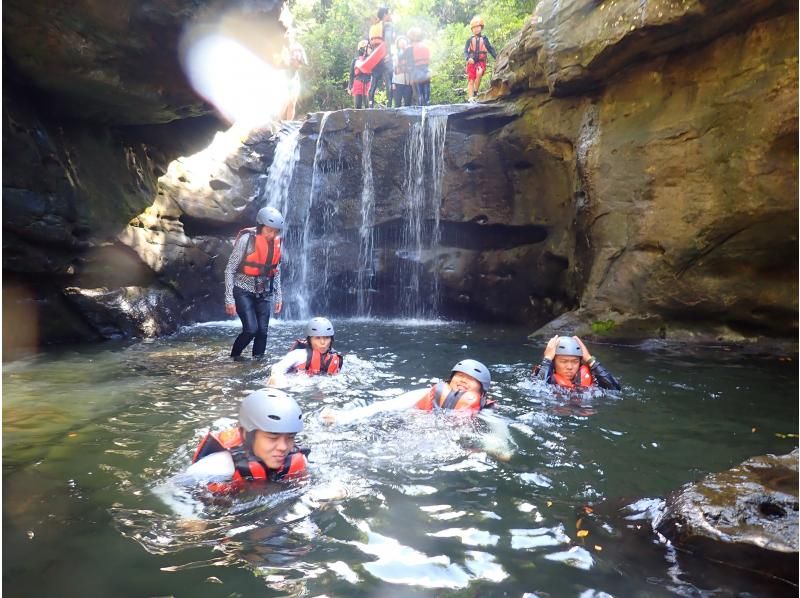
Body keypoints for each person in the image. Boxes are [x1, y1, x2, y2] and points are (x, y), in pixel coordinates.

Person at [186, 389, 309, 493]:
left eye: (290, 437)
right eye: (273, 437)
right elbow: (177, 491)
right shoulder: (219, 467)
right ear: (247, 434)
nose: (283, 447)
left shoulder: (297, 458)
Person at [321, 359, 493, 425]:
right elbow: (385, 406)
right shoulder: (428, 394)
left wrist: (498, 449)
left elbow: (498, 430)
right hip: (417, 428)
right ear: (449, 380)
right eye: (459, 376)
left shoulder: (485, 410)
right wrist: (342, 418)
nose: (463, 380)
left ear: (482, 389)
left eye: (470, 379)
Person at [225, 206, 284, 361]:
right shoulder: (246, 240)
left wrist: (279, 296)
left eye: (275, 231)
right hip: (243, 290)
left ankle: (258, 364)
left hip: (264, 292)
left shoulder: (276, 243)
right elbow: (230, 269)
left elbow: (276, 271)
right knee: (251, 329)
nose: (272, 235)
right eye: (268, 230)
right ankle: (234, 358)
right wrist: (229, 299)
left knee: (262, 332)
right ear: (260, 227)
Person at [267, 317, 344, 387]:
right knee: (275, 379)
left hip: (322, 391)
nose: (323, 342)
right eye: (317, 338)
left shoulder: (336, 359)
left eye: (327, 338)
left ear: (331, 339)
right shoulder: (299, 354)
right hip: (296, 387)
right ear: (309, 340)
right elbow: (277, 369)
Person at [534, 335, 621, 391]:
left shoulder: (591, 378)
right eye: (563, 361)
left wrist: (589, 359)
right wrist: (547, 359)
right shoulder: (544, 376)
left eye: (575, 362)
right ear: (553, 362)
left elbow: (615, 389)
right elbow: (538, 391)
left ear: (580, 363)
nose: (570, 367)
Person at [464, 15, 497, 102]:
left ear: (481, 27)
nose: (476, 29)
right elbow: (465, 51)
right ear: (472, 29)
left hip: (480, 62)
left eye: (477, 27)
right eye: (474, 28)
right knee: (471, 80)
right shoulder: (469, 40)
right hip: (471, 62)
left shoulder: (485, 39)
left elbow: (490, 49)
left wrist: (497, 57)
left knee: (479, 73)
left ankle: (475, 92)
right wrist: (468, 58)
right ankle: (471, 98)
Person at [368, 6, 395, 108]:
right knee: (388, 80)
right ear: (385, 15)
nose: (390, 16)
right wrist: (387, 54)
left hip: (375, 57)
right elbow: (387, 40)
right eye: (389, 14)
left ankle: (370, 105)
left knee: (374, 82)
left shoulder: (373, 27)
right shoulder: (387, 25)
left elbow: (371, 44)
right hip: (384, 56)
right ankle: (389, 106)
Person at [280, 40, 308, 120]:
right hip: (284, 78)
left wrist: (297, 60)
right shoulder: (284, 48)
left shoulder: (298, 47)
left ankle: (288, 124)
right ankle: (277, 123)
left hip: (294, 78)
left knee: (292, 103)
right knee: (284, 101)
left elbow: (303, 62)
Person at [407, 27, 431, 106]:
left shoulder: (410, 48)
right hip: (424, 69)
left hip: (417, 70)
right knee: (425, 91)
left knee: (420, 92)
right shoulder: (425, 46)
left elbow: (410, 63)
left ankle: (422, 106)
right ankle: (426, 105)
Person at [348, 40, 372, 109]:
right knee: (358, 106)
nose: (370, 49)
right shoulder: (356, 60)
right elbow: (351, 74)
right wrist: (350, 87)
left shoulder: (370, 60)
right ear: (363, 49)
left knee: (368, 107)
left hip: (368, 86)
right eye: (369, 47)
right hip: (358, 85)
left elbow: (375, 75)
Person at [391, 36, 412, 107]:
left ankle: (407, 118)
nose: (402, 43)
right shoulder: (395, 55)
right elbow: (392, 69)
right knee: (397, 103)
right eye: (400, 42)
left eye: (404, 42)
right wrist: (392, 83)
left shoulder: (410, 54)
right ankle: (396, 118)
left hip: (408, 82)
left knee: (408, 103)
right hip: (397, 82)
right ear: (398, 44)